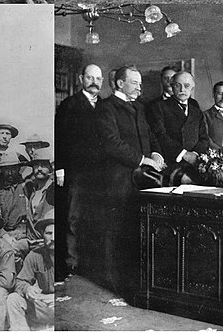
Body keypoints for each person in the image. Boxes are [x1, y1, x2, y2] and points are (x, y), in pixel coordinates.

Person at [96, 66, 163, 296]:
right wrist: (143, 158)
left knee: (136, 228)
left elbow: (150, 135)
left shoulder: (139, 107)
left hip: (142, 179)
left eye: (140, 83)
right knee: (116, 230)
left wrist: (156, 153)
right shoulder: (106, 108)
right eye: (134, 82)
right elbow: (111, 143)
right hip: (118, 179)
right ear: (119, 83)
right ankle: (114, 281)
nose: (139, 87)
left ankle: (134, 280)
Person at [54, 64, 103, 278]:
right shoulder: (69, 104)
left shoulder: (105, 106)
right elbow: (61, 138)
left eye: (98, 78)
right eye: (90, 77)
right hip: (76, 171)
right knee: (73, 216)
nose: (94, 82)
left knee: (94, 216)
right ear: (81, 78)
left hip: (100, 173)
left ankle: (91, 262)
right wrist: (61, 169)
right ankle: (71, 261)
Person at [146, 71, 208, 183]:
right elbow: (160, 135)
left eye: (187, 86)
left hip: (194, 164)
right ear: (172, 86)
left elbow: (204, 138)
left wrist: (194, 155)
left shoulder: (196, 111)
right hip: (171, 164)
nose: (182, 90)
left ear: (192, 88)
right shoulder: (159, 107)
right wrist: (184, 154)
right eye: (177, 85)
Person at [6, 209, 54, 330]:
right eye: (49, 233)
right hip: (44, 306)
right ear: (42, 234)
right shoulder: (35, 255)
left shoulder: (73, 256)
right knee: (13, 299)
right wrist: (28, 289)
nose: (53, 238)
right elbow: (20, 281)